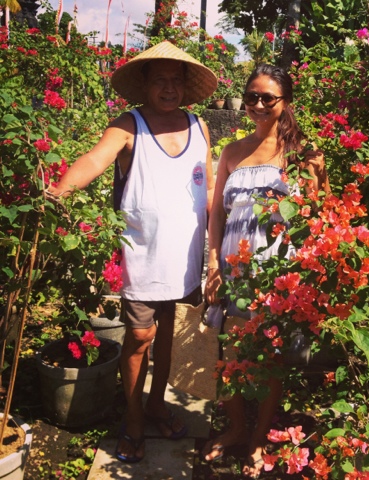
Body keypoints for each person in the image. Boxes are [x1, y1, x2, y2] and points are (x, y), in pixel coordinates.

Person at [47, 41, 217, 463]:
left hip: (187, 256)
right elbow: (94, 160)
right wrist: (59, 190)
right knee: (140, 336)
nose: (169, 88)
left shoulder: (198, 125)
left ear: (186, 86)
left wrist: (226, 232)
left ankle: (156, 404)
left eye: (176, 80)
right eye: (160, 80)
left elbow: (210, 185)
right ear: (144, 84)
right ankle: (134, 415)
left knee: (171, 334)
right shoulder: (129, 124)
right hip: (143, 255)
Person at [203, 64, 330, 478]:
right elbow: (216, 215)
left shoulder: (301, 153)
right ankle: (237, 428)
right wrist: (212, 265)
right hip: (233, 269)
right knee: (231, 355)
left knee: (270, 359)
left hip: (278, 272)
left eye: (267, 98)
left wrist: (319, 174)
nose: (258, 104)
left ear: (285, 102)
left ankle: (258, 437)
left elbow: (317, 214)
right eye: (251, 96)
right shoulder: (232, 151)